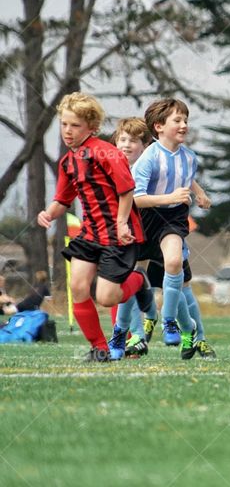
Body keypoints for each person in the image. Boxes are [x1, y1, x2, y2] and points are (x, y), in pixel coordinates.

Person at [36, 92, 152, 362]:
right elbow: (63, 200)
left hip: (117, 235)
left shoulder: (107, 153)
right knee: (77, 286)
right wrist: (48, 214)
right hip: (90, 234)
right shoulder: (68, 162)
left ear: (92, 127)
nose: (68, 130)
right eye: (64, 124)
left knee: (108, 297)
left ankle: (139, 280)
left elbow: (127, 191)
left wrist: (122, 223)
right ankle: (99, 348)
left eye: (75, 125)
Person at [132, 99, 212, 361]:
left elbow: (186, 177)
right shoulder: (148, 159)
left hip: (173, 220)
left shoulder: (190, 157)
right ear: (159, 126)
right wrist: (170, 197)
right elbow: (136, 199)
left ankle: (169, 321)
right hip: (147, 219)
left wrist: (199, 194)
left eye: (185, 120)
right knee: (133, 276)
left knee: (174, 262)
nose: (184, 125)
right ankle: (131, 334)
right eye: (177, 120)